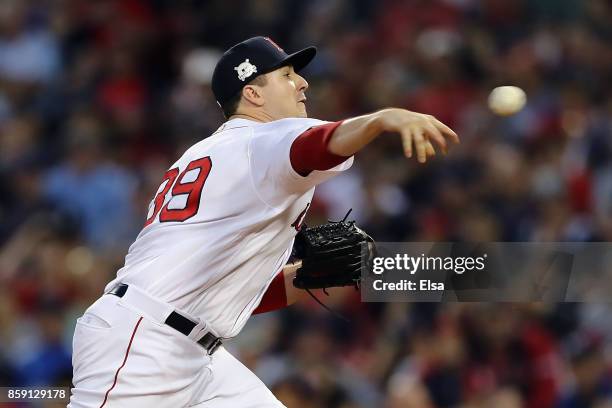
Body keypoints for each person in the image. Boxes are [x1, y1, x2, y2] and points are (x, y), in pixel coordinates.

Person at [69, 36, 459, 407]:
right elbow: (317, 145)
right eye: (287, 76)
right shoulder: (264, 139)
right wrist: (382, 119)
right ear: (252, 93)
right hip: (144, 346)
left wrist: (306, 274)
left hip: (187, 346)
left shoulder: (210, 152)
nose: (302, 83)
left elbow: (226, 292)